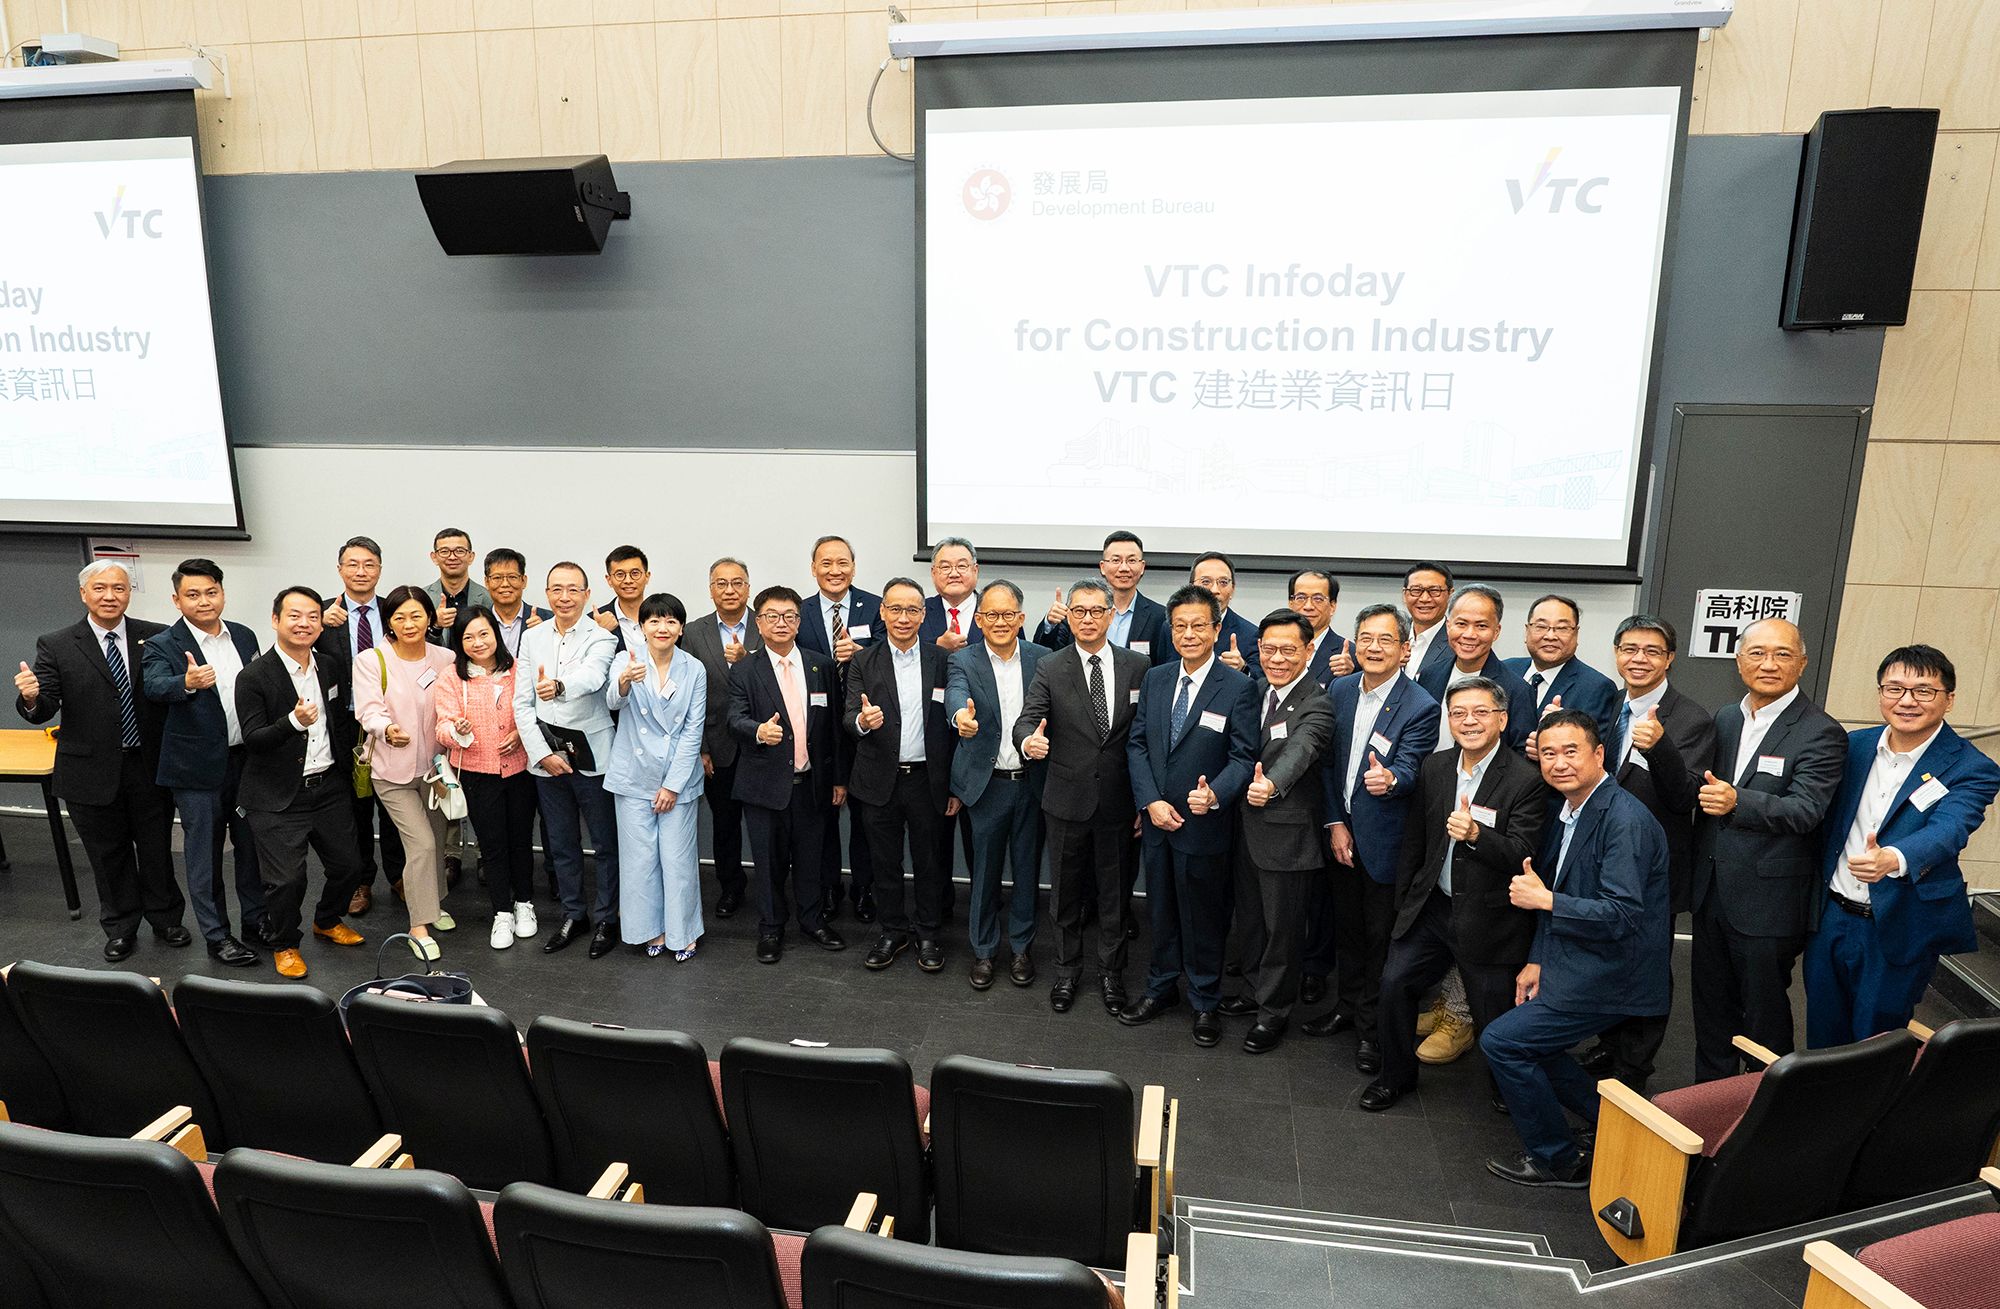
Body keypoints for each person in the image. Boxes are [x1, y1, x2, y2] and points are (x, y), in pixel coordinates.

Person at [1481, 708, 1671, 1188]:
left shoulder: (1623, 820)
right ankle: (1614, 1121)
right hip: (1573, 956)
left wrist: (1544, 899)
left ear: (1600, 754)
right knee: (1531, 1044)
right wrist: (1537, 958)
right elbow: (1565, 888)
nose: (1559, 762)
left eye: (1571, 751)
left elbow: (1623, 914)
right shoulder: (1570, 809)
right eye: (1548, 753)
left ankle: (1557, 1158)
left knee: (1503, 1042)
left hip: (1614, 971)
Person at [1364, 677, 1547, 1111]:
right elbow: (1417, 839)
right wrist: (1407, 900)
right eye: (1459, 713)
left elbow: (1522, 852)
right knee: (1393, 984)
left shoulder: (1526, 780)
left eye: (1481, 712)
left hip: (1487, 917)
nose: (1470, 721)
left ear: (1502, 720)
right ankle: (1396, 1077)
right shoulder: (1435, 766)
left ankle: (1507, 1090)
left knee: (1493, 1013)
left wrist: (1476, 834)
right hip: (1432, 907)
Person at [1805, 645, 2000, 1046]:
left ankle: (1876, 1111)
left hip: (1898, 923)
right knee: (1822, 1034)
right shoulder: (1852, 747)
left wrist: (1894, 857)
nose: (1907, 701)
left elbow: (1950, 829)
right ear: (1880, 694)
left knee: (1877, 1041)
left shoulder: (1972, 767)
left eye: (1923, 691)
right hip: (1832, 918)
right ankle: (1827, 1109)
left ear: (1949, 699)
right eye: (1894, 688)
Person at [1691, 618, 1846, 1081]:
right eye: (1757, 653)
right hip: (1712, 890)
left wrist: (1739, 801)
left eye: (1782, 654)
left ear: (1801, 663)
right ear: (1739, 662)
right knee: (1711, 1011)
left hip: (1769, 902)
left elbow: (1806, 810)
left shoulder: (1821, 731)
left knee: (1764, 1019)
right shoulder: (1725, 718)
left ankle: (1769, 1116)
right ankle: (1710, 1106)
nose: (1769, 664)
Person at [14, 560, 187, 962]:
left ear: (129, 593)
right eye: (100, 588)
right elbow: (45, 708)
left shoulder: (155, 636)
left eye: (119, 588)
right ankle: (121, 926)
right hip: (90, 770)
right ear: (83, 594)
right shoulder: (56, 643)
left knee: (157, 848)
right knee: (108, 855)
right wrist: (30, 697)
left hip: (149, 765)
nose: (110, 596)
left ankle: (165, 919)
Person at [1577, 614, 1715, 1090]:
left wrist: (1660, 749)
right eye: (1630, 649)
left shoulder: (1691, 717)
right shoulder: (1613, 705)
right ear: (1616, 654)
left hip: (1654, 866)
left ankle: (1636, 1065)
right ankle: (1611, 1042)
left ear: (1670, 658)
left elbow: (1683, 797)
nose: (1639, 659)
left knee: (1648, 963)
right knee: (1610, 952)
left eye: (1652, 651)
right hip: (1603, 855)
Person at [1119, 585, 1258, 1046]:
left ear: (1217, 629)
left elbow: (1243, 757)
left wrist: (1214, 795)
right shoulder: (1156, 678)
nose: (1189, 633)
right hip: (1158, 821)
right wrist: (1150, 801)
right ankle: (1161, 989)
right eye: (1180, 625)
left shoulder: (1239, 687)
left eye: (1199, 625)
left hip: (1205, 825)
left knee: (1202, 917)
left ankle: (1204, 999)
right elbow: (1137, 743)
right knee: (1159, 910)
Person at [1304, 605, 1440, 1072]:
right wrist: (1334, 823)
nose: (1374, 648)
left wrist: (1393, 782)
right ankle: (1346, 1006)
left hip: (1385, 844)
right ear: (1355, 643)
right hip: (1340, 835)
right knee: (1347, 932)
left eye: (1385, 640)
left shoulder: (1421, 705)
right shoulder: (1339, 689)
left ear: (1404, 649)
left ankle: (1371, 1031)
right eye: (1366, 638)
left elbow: (1409, 767)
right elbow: (1325, 764)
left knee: (1380, 939)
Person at [1016, 579, 1150, 1017]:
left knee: (1114, 897)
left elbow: (1144, 736)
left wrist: (1144, 799)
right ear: (1068, 616)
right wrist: (1027, 743)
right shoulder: (1051, 666)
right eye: (1079, 611)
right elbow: (1027, 720)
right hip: (1066, 801)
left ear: (1111, 615)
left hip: (1118, 802)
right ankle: (1066, 971)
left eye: (1096, 611)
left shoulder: (1138, 666)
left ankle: (1112, 975)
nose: (1088, 618)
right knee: (1066, 896)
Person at [1214, 610, 1333, 1053]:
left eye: (1288, 650)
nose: (1277, 658)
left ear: (1307, 651)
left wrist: (1272, 783)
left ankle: (1273, 1013)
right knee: (1250, 922)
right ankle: (1252, 991)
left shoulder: (1317, 702)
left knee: (1282, 929)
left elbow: (1303, 748)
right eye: (1268, 649)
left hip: (1285, 835)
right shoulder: (1254, 689)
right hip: (1242, 830)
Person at [235, 586, 368, 978]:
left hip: (328, 786)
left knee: (349, 866)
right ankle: (285, 943)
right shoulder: (254, 676)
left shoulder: (328, 665)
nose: (304, 623)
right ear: (275, 620)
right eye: (294, 615)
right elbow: (253, 738)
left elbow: (339, 721)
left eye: (313, 615)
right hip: (276, 795)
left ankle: (326, 920)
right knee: (287, 880)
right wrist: (293, 722)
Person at [139, 558, 267, 966]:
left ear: (222, 594)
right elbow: (154, 685)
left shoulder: (244, 637)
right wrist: (186, 683)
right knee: (205, 855)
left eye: (211, 592)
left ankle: (256, 922)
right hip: (195, 769)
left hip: (247, 761)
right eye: (193, 595)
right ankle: (217, 935)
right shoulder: (163, 644)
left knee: (252, 848)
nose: (204, 601)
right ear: (177, 600)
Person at [729, 585, 848, 962]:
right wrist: (758, 731)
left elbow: (833, 729)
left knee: (811, 859)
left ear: (799, 622)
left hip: (812, 783)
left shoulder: (820, 665)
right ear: (759, 623)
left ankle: (812, 921)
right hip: (764, 785)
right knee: (768, 863)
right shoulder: (745, 670)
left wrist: (839, 779)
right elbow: (734, 718)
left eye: (789, 616)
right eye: (771, 616)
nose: (781, 623)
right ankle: (771, 928)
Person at [848, 578, 959, 972]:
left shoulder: (943, 660)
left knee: (930, 861)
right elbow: (848, 718)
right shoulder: (863, 660)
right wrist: (862, 721)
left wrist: (954, 785)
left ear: (923, 615)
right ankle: (892, 930)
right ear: (882, 612)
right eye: (895, 609)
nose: (903, 617)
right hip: (879, 780)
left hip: (928, 779)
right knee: (885, 862)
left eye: (912, 610)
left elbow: (951, 725)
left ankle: (928, 933)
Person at [515, 561, 622, 959]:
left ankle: (608, 917)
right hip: (547, 759)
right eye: (557, 589)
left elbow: (593, 678)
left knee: (606, 844)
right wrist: (543, 754)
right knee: (561, 844)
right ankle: (574, 914)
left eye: (573, 589)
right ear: (546, 594)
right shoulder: (533, 637)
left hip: (594, 758)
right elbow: (522, 703)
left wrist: (558, 686)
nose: (564, 597)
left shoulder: (602, 637)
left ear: (587, 594)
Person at [947, 580, 1048, 989]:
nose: (1000, 622)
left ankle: (1022, 948)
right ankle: (985, 951)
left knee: (1027, 872)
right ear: (978, 619)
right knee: (984, 874)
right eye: (991, 614)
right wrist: (960, 719)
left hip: (1034, 785)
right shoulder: (964, 661)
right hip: (986, 786)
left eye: (1008, 614)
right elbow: (955, 695)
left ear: (1021, 619)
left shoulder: (1045, 660)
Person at [354, 586, 457, 959]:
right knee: (422, 844)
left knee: (439, 839)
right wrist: (386, 729)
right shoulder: (372, 659)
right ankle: (418, 924)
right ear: (389, 622)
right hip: (391, 770)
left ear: (430, 618)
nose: (408, 623)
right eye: (399, 617)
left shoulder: (445, 658)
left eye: (416, 615)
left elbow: (452, 703)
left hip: (436, 769)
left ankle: (436, 905)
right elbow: (368, 709)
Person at [606, 593, 708, 960]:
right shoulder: (626, 660)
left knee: (677, 859)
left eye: (670, 621)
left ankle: (684, 932)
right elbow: (612, 705)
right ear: (642, 627)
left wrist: (672, 785)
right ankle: (652, 930)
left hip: (677, 778)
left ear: (680, 629)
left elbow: (693, 731)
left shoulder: (694, 668)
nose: (662, 628)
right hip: (633, 775)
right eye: (654, 621)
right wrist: (623, 683)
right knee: (639, 859)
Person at [433, 606, 538, 951]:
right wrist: (456, 730)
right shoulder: (452, 677)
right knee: (492, 847)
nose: (478, 642)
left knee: (521, 841)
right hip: (478, 774)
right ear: (459, 642)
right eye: (468, 637)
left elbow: (535, 713)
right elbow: (443, 726)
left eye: (484, 634)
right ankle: (502, 913)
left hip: (521, 770)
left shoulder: (519, 670)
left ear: (496, 634)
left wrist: (522, 736)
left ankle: (525, 904)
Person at [315, 535, 406, 917]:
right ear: (340, 570)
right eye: (352, 564)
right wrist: (319, 627)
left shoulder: (396, 610)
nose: (361, 571)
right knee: (353, 807)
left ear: (380, 570)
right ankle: (360, 881)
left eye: (369, 564)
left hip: (390, 722)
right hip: (342, 723)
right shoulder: (320, 612)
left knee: (395, 802)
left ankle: (400, 876)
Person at [795, 534, 880, 926]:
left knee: (866, 815)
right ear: (813, 568)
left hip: (867, 726)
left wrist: (862, 655)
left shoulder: (876, 607)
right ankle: (828, 887)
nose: (835, 570)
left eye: (842, 562)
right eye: (826, 563)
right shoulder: (799, 610)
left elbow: (892, 660)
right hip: (817, 728)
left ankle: (865, 887)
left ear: (853, 566)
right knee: (823, 811)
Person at [683, 557, 760, 918]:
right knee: (725, 825)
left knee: (767, 826)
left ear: (749, 587)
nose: (730, 590)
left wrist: (748, 660)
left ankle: (771, 890)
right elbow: (688, 694)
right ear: (710, 588)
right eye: (721, 583)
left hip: (765, 744)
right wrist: (701, 748)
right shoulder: (694, 632)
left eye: (737, 583)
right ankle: (731, 887)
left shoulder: (768, 623)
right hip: (718, 746)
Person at [1415, 585, 1535, 751]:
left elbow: (1521, 755)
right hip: (1430, 775)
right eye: (1462, 624)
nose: (1469, 634)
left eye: (1481, 626)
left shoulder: (1516, 690)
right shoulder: (1429, 676)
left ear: (1496, 631)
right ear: (1448, 626)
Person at [1034, 530, 1173, 665]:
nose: (1124, 568)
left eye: (1131, 560)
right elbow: (1047, 657)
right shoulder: (1077, 611)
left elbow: (1164, 670)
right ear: (1103, 567)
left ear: (1142, 567)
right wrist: (1050, 624)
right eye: (1116, 560)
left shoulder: (1160, 617)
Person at [1506, 595, 1621, 749]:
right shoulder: (1506, 670)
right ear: (1527, 631)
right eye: (1541, 626)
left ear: (1576, 634)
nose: (1550, 636)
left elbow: (1593, 752)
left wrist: (1563, 734)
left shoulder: (1597, 688)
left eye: (1562, 628)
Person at [1194, 553, 1261, 678]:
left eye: (1223, 582)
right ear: (1192, 587)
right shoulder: (1172, 629)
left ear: (1233, 590)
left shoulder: (1250, 634)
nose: (1214, 590)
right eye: (1206, 582)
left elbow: (1262, 683)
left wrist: (1243, 668)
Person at [1288, 569, 1354, 689]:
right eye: (1301, 598)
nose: (1308, 606)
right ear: (1291, 603)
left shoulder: (1351, 655)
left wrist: (1352, 675)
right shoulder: (1274, 649)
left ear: (1333, 606)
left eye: (1318, 599)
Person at [424, 527, 491, 643]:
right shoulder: (422, 598)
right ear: (434, 557)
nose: (452, 557)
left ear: (471, 557)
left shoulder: (487, 598)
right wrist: (435, 625)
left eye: (459, 551)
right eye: (444, 551)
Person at [481, 548, 549, 659]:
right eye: (497, 577)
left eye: (512, 577)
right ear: (487, 582)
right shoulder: (477, 622)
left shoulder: (548, 621)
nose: (505, 584)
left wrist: (546, 636)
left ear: (524, 581)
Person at [921, 537, 982, 651]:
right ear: (933, 572)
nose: (954, 574)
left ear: (975, 570)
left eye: (962, 566)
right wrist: (938, 646)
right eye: (945, 567)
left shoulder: (995, 611)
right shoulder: (919, 611)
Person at [1401, 562, 1456, 686]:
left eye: (1434, 590)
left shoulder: (1457, 642)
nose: (1424, 599)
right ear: (1405, 595)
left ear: (1450, 595)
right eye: (1416, 590)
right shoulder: (1392, 636)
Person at [594, 545, 651, 655]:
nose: (628, 580)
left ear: (647, 577)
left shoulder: (664, 618)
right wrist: (599, 632)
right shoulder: (594, 622)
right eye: (620, 575)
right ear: (609, 580)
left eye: (635, 573)